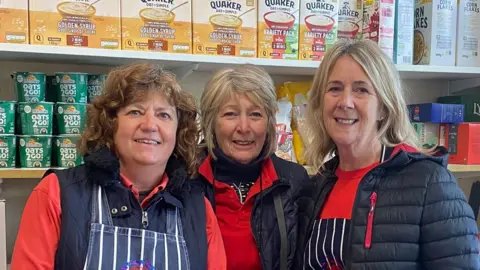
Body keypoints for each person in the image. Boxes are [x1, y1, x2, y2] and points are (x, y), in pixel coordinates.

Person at [11, 63, 226, 270]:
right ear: (110, 124)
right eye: (135, 112)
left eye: (164, 115)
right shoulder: (56, 195)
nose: (150, 125)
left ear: (178, 132)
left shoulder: (199, 210)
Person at [296, 39, 479, 269]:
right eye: (334, 88)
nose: (345, 101)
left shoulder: (429, 182)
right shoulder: (315, 188)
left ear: (383, 107)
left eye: (361, 89)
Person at [194, 65, 310, 270]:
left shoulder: (293, 181)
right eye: (230, 114)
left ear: (269, 122)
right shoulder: (187, 179)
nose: (244, 127)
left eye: (255, 115)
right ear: (211, 122)